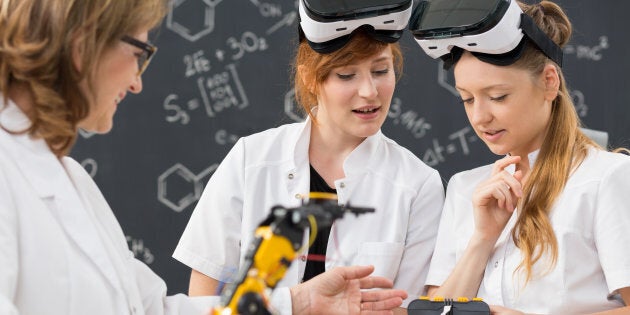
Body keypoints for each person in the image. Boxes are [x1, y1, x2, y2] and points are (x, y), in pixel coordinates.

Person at [0, 0, 408, 314]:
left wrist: (296, 303)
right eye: (139, 50)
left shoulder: (68, 179)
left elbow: (153, 310)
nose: (137, 81)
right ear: (82, 45)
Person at [173, 0, 445, 311]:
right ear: (309, 77)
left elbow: (407, 306)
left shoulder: (419, 185)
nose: (370, 91)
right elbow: (205, 288)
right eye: (346, 75)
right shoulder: (252, 159)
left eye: (381, 70)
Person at [409, 0, 630, 314]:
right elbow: (436, 310)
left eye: (498, 96)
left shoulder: (607, 178)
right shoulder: (464, 188)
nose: (480, 116)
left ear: (549, 82)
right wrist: (483, 238)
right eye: (467, 99)